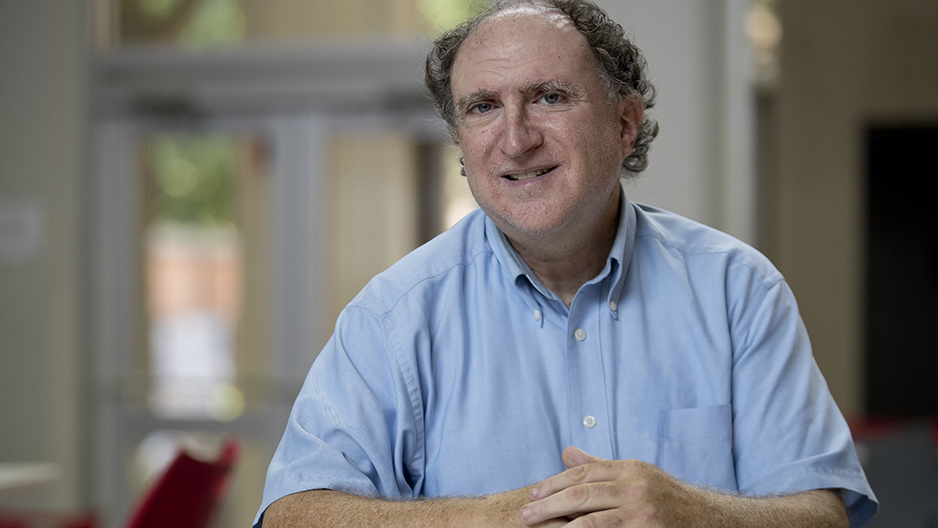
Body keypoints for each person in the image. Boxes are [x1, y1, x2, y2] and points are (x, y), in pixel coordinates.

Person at [254, 0, 878, 526]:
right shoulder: (394, 318)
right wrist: (502, 517)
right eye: (482, 107)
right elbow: (293, 513)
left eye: (549, 97)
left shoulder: (736, 290)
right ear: (462, 145)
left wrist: (691, 511)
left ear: (625, 124)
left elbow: (823, 512)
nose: (517, 137)